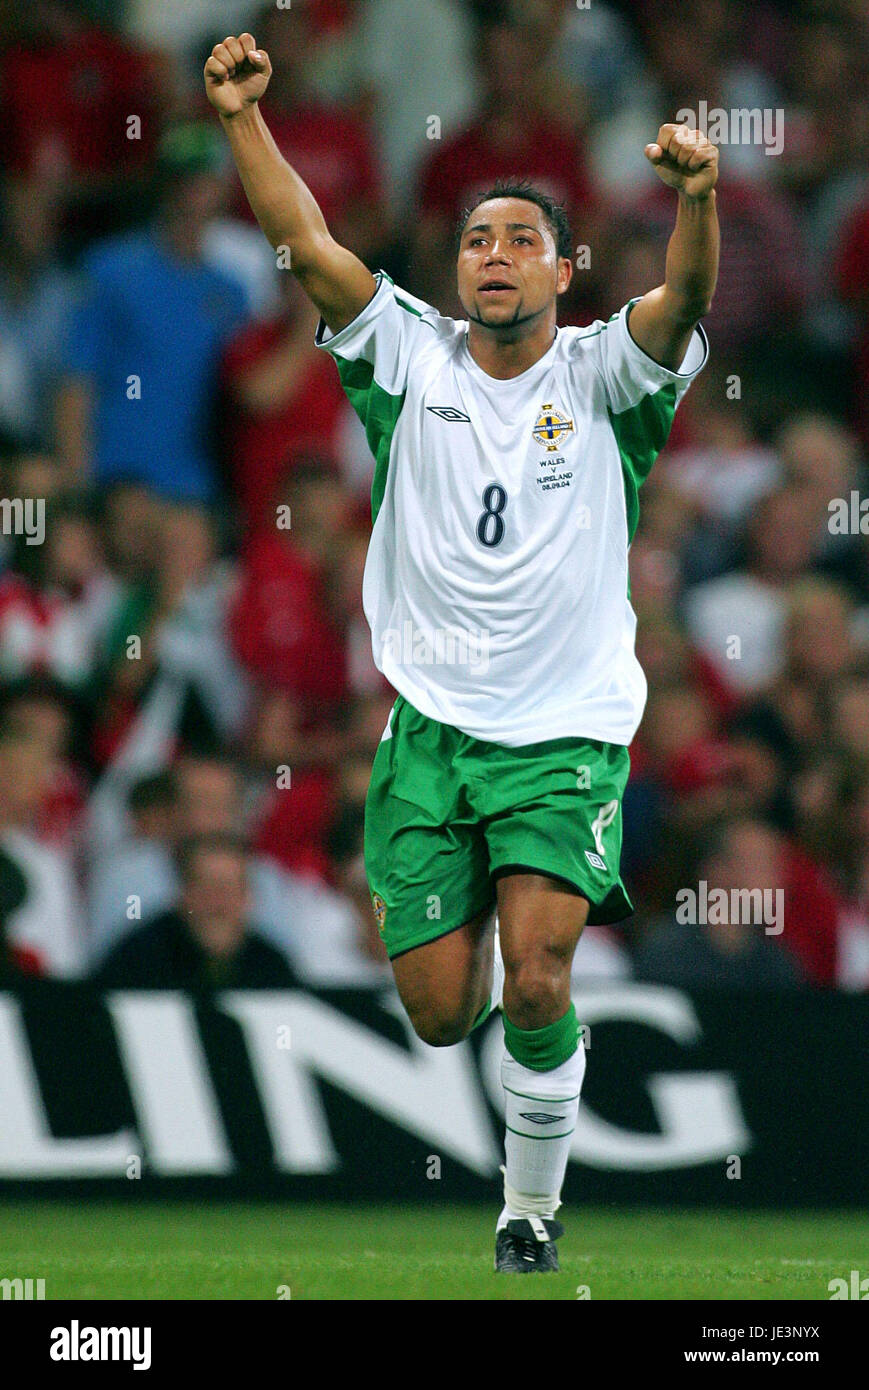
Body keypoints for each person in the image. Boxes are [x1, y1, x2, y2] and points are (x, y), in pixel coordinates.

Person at [204, 30, 718, 1273]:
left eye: (520, 239)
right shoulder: (406, 352)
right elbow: (312, 246)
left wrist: (693, 200)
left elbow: (683, 298)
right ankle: (479, 902)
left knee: (538, 981)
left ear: (560, 269)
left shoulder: (607, 377)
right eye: (477, 239)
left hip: (564, 733)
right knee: (444, 1017)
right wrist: (239, 122)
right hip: (431, 732)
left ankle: (526, 1210)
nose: (493, 255)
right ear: (459, 268)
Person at [92, 832, 295, 991]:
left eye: (229, 889)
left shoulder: (272, 969)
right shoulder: (135, 963)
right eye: (207, 886)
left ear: (249, 897)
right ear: (184, 894)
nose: (218, 903)